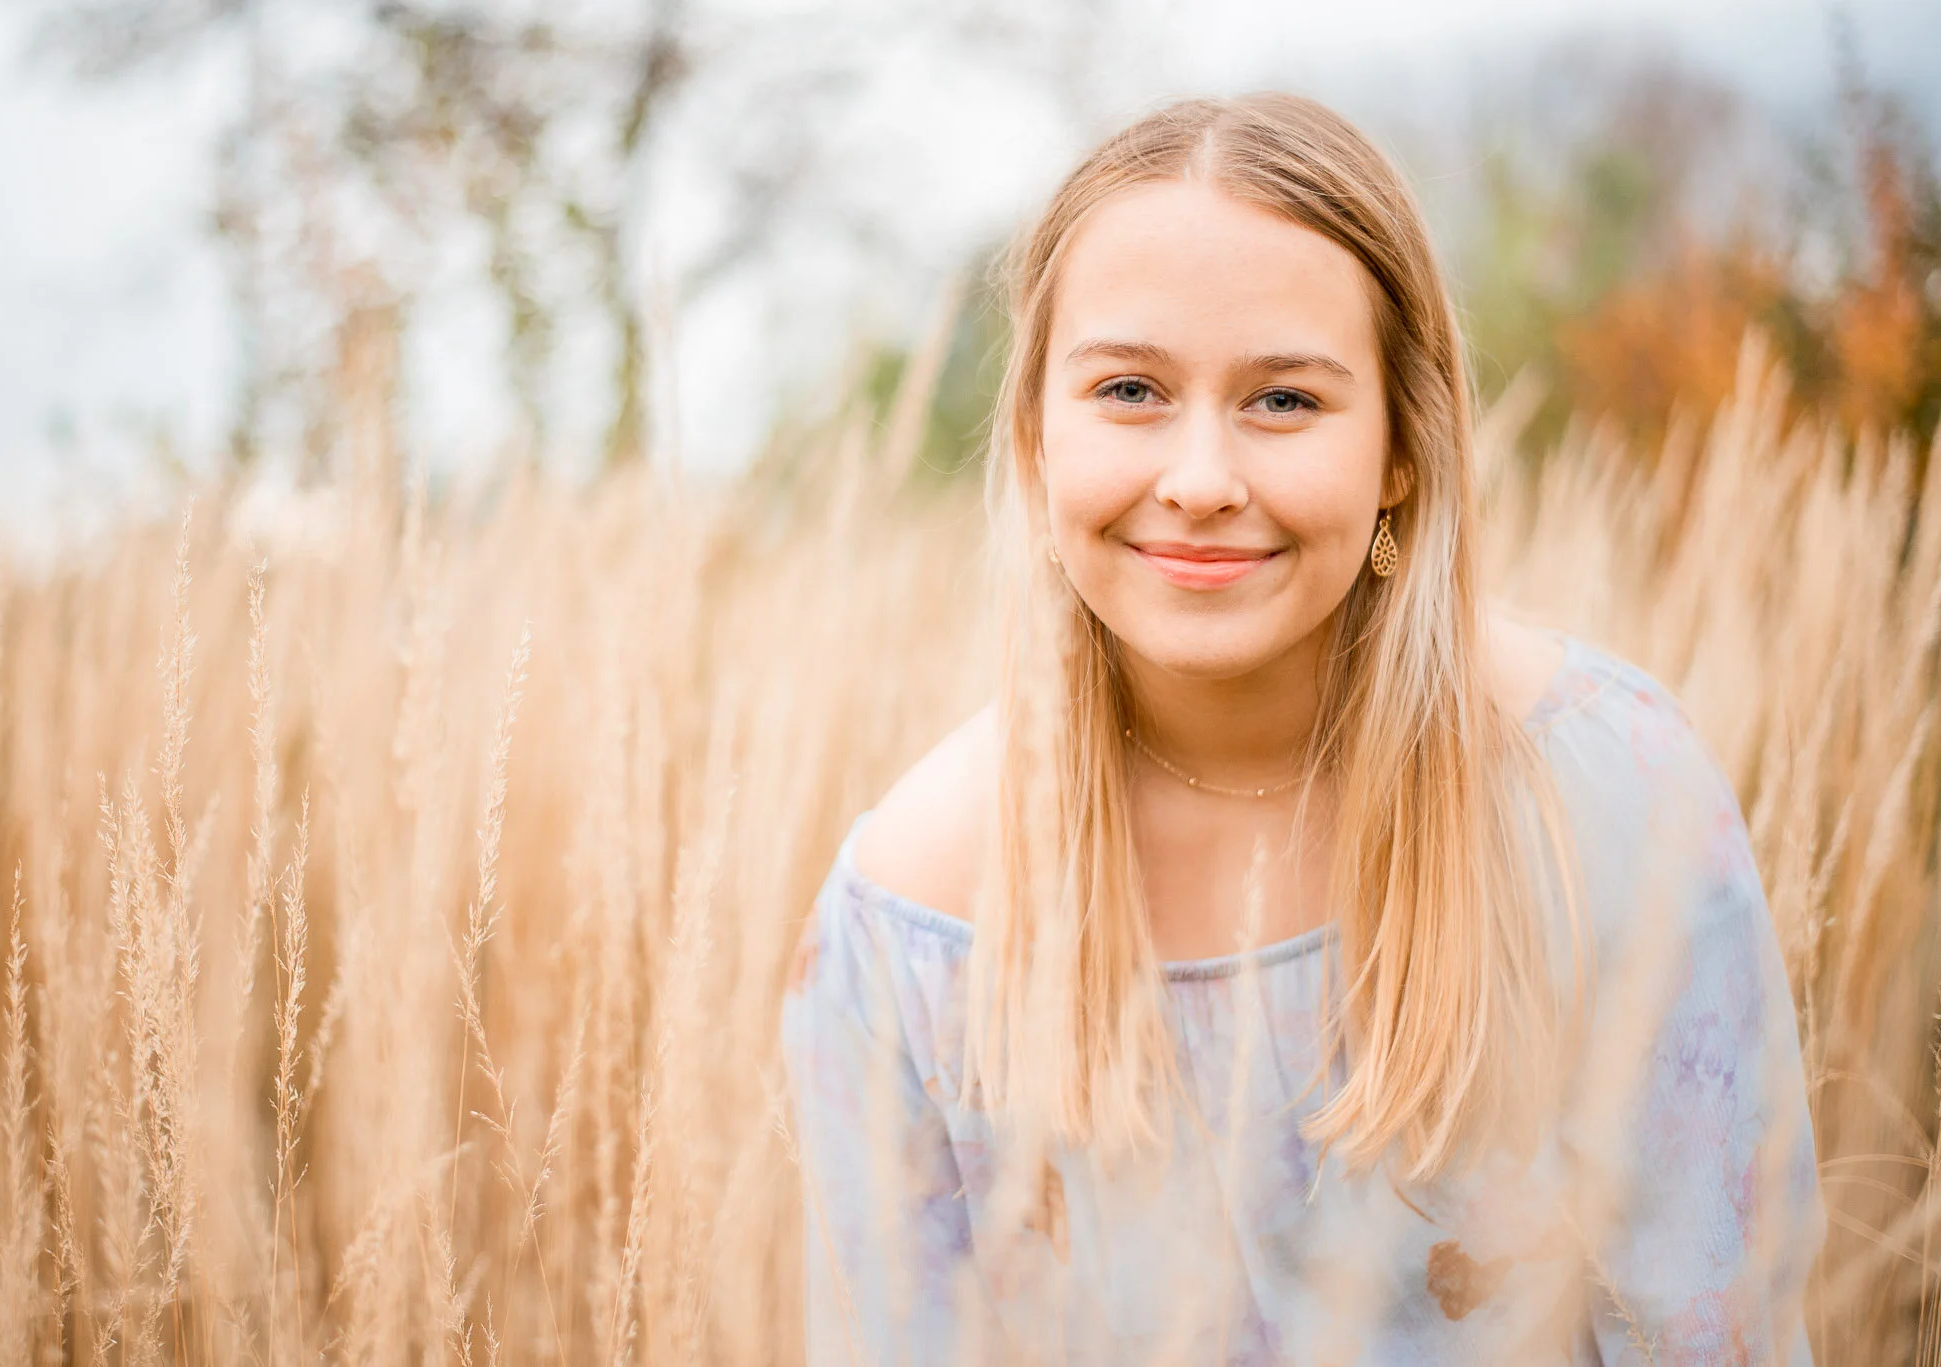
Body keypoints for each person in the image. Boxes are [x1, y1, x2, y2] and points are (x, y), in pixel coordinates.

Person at [780, 92, 1823, 1365]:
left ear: (1400, 448)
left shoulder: (1605, 798)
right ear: (1034, 438)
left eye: (1282, 400)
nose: (1202, 477)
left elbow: (1719, 1326)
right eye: (1127, 389)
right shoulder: (909, 922)